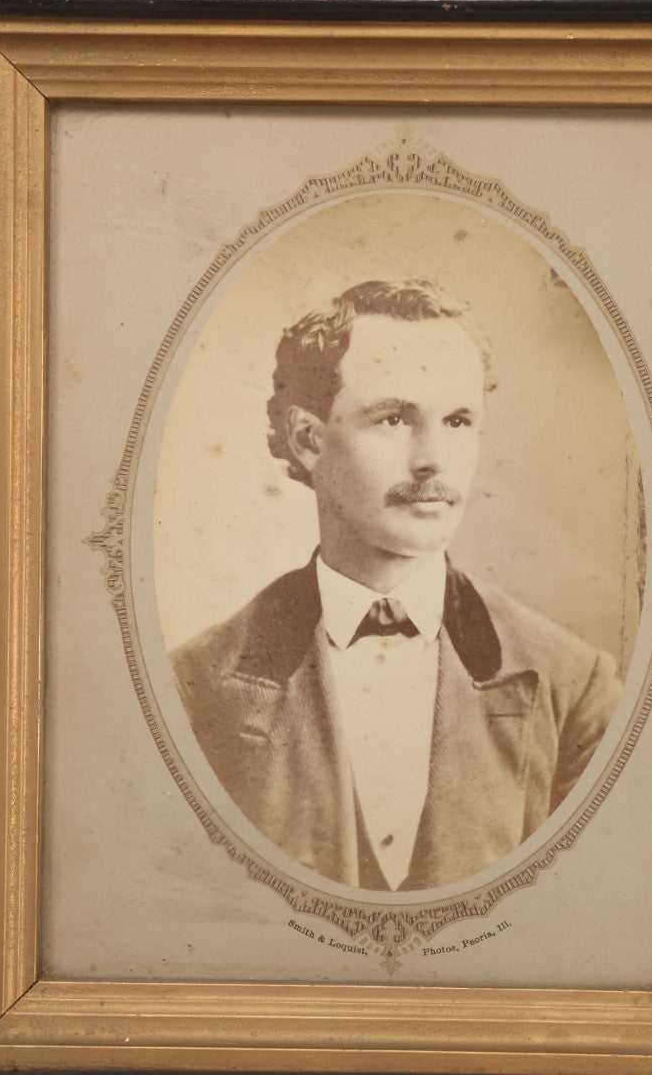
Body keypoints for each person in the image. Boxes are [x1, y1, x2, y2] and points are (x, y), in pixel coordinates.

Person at [171, 279, 620, 892]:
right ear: (309, 440)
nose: (433, 459)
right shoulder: (194, 689)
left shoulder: (572, 686)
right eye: (392, 419)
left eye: (458, 421)